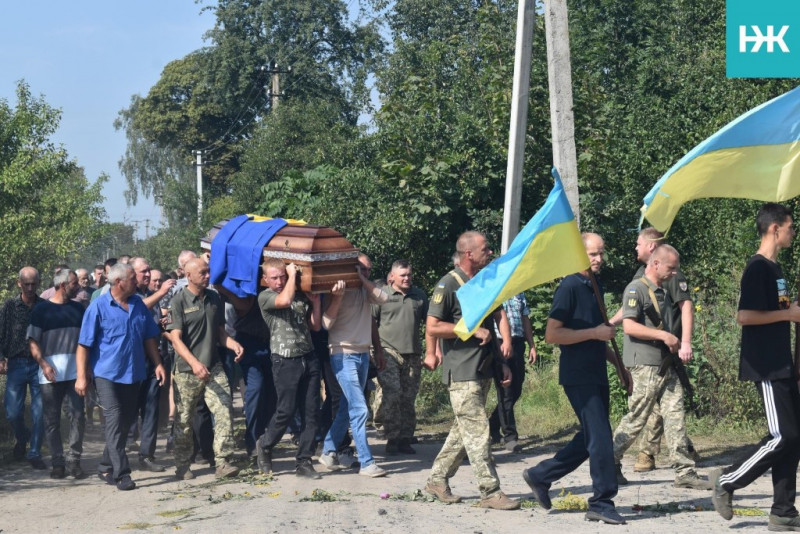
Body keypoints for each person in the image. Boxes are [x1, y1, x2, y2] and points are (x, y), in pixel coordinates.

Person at [522, 233, 630, 525]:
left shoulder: (594, 285)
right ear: (578, 254)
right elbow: (552, 334)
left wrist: (619, 365)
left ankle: (540, 475)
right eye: (592, 254)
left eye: (601, 254)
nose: (599, 260)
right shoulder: (569, 286)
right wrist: (594, 333)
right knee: (601, 439)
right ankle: (602, 501)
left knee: (589, 439)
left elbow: (600, 336)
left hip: (596, 372)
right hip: (578, 375)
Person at [712, 203, 800, 531]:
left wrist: (792, 306)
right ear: (775, 228)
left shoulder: (776, 270)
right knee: (783, 435)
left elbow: (777, 310)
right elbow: (745, 316)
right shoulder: (757, 268)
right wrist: (789, 315)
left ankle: (783, 512)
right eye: (791, 226)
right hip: (765, 364)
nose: (794, 231)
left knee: (795, 438)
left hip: (783, 363)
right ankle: (727, 480)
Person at [423, 231, 519, 510]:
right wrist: (467, 330)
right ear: (469, 254)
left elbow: (491, 325)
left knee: (463, 431)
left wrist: (500, 362)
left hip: (483, 369)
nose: (489, 253)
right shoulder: (448, 284)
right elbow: (433, 326)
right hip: (462, 372)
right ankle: (490, 492)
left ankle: (436, 479)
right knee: (478, 431)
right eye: (485, 249)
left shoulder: (481, 283)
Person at [611, 245, 710, 489]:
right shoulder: (636, 289)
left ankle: (684, 471)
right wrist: (665, 336)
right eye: (671, 267)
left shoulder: (663, 291)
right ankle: (608, 461)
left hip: (666, 364)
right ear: (655, 264)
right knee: (637, 417)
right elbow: (630, 327)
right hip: (644, 364)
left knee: (675, 415)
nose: (675, 273)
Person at [75, 263, 166, 491]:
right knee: (115, 420)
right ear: (119, 282)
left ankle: (105, 465)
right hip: (106, 375)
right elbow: (83, 345)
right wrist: (81, 377)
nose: (137, 282)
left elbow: (148, 338)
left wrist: (158, 364)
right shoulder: (97, 308)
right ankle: (122, 473)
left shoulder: (138, 305)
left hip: (133, 373)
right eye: (133, 279)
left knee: (125, 423)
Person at [167, 258, 244, 480]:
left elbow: (221, 333)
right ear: (188, 276)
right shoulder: (179, 301)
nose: (207, 276)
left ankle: (222, 461)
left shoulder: (214, 298)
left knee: (223, 409)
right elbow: (176, 340)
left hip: (214, 366)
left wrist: (233, 344)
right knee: (184, 419)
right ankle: (182, 464)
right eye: (202, 272)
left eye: (208, 271)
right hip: (186, 370)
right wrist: (194, 363)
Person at [319, 254, 389, 477]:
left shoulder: (365, 291)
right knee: (359, 408)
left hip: (362, 355)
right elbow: (326, 323)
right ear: (351, 269)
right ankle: (367, 462)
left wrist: (363, 280)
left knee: (345, 410)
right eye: (361, 269)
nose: (365, 273)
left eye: (368, 270)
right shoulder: (338, 289)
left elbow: (384, 298)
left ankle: (328, 449)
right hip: (342, 355)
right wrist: (338, 297)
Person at [255, 259, 323, 479]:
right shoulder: (265, 297)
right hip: (285, 360)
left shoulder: (299, 294)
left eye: (282, 276)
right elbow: (284, 300)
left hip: (308, 356)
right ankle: (265, 445)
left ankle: (304, 461)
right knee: (286, 410)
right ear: (265, 280)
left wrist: (316, 302)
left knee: (311, 412)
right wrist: (293, 275)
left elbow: (315, 325)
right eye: (274, 277)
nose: (279, 281)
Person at [27, 268, 87, 479]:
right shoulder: (41, 310)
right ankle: (57, 462)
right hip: (50, 375)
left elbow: (85, 341)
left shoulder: (79, 309)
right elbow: (33, 341)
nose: (78, 287)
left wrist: (84, 371)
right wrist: (43, 364)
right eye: (74, 284)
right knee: (51, 420)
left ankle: (74, 461)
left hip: (75, 374)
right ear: (63, 285)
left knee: (78, 416)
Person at [371, 259, 428, 455]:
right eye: (402, 275)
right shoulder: (382, 295)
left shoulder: (419, 296)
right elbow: (372, 322)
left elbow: (430, 324)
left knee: (408, 397)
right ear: (392, 276)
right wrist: (376, 350)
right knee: (392, 393)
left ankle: (405, 438)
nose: (406, 278)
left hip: (412, 353)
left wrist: (432, 350)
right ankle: (392, 437)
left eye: (409, 275)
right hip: (388, 351)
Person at [129, 257, 176, 472]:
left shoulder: (150, 296)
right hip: (129, 362)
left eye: (149, 271)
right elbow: (138, 309)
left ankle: (147, 455)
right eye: (143, 272)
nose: (147, 275)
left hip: (152, 359)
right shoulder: (128, 296)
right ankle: (113, 456)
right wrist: (162, 292)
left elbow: (149, 323)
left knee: (151, 410)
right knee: (126, 411)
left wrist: (160, 324)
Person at [0, 267, 46, 469]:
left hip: (39, 364)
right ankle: (23, 435)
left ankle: (34, 452)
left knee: (39, 411)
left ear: (38, 283)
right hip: (16, 362)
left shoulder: (44, 306)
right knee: (12, 411)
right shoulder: (10, 306)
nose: (29, 287)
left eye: (33, 283)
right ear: (19, 283)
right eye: (26, 283)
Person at [489, 292, 537, 453]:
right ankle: (510, 436)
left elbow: (525, 319)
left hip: (518, 342)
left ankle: (492, 425)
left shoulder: (520, 293)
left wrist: (532, 345)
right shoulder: (494, 291)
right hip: (499, 342)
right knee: (506, 391)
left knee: (516, 389)